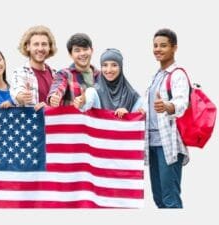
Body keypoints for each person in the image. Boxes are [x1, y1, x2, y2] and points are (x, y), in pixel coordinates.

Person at [140, 28, 190, 208]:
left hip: (168, 144)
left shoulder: (177, 74)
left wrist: (168, 106)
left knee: (170, 199)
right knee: (159, 197)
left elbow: (182, 103)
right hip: (152, 143)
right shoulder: (156, 76)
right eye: (155, 46)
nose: (158, 49)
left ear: (174, 48)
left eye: (163, 45)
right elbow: (146, 108)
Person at [77, 48, 142, 117]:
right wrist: (83, 104)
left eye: (114, 65)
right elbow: (86, 105)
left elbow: (137, 122)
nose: (109, 70)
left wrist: (128, 115)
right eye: (105, 65)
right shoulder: (94, 92)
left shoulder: (133, 96)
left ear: (120, 67)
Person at [10, 25, 57, 110]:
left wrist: (49, 107)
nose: (40, 48)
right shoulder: (20, 73)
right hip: (31, 122)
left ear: (49, 47)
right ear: (28, 46)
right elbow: (17, 93)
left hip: (52, 122)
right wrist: (22, 97)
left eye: (44, 44)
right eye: (36, 44)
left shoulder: (56, 75)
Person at [48, 33, 100, 107]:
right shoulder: (64, 74)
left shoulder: (101, 76)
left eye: (85, 49)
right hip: (74, 117)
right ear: (70, 54)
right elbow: (58, 88)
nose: (82, 53)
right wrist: (54, 98)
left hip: (96, 117)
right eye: (77, 50)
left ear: (91, 50)